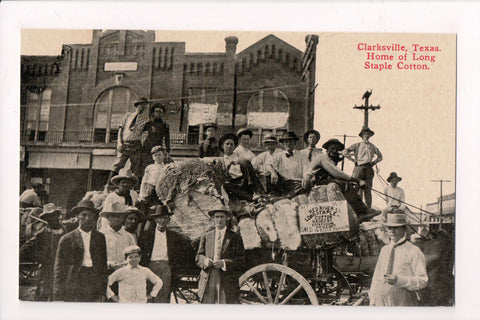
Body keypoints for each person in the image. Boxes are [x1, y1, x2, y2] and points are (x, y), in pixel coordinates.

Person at [53, 200, 108, 302]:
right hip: (75, 281)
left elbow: (103, 266)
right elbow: (59, 268)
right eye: (84, 215)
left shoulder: (100, 237)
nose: (87, 219)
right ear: (78, 216)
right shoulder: (67, 239)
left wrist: (102, 291)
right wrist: (58, 295)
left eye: (91, 216)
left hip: (93, 280)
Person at [369, 212, 428, 306]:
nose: (392, 231)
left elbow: (423, 281)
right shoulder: (384, 250)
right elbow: (376, 278)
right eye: (389, 228)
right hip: (381, 302)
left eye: (396, 227)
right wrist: (372, 300)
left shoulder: (414, 251)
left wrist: (399, 280)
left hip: (402, 303)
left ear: (404, 229)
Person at [139, 205, 194, 303]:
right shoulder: (147, 235)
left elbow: (180, 253)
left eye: (165, 218)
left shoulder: (173, 236)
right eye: (160, 218)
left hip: (165, 267)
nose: (162, 221)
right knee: (148, 295)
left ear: (169, 220)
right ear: (155, 219)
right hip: (150, 267)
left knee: (163, 296)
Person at [302, 138, 369, 217]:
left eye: (336, 150)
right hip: (316, 182)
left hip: (324, 181)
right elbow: (336, 172)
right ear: (327, 149)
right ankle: (353, 213)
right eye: (332, 149)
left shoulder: (331, 160)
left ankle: (359, 212)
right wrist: (357, 180)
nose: (334, 151)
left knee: (349, 186)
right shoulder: (322, 157)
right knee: (344, 186)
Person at [196, 206, 245, 304]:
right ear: (213, 219)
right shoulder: (206, 236)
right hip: (208, 276)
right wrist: (205, 261)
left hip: (226, 277)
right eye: (217, 217)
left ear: (227, 218)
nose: (219, 220)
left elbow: (241, 260)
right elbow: (198, 256)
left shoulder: (235, 237)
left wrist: (224, 263)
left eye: (222, 217)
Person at [25, 203, 66, 301]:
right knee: (45, 292)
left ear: (57, 215)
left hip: (62, 267)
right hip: (48, 267)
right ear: (46, 219)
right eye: (48, 216)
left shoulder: (64, 231)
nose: (51, 218)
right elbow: (27, 247)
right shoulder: (43, 232)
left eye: (53, 215)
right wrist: (39, 257)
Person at [207, 133, 265, 201]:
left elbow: (251, 162)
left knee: (244, 162)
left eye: (231, 144)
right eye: (227, 144)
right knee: (225, 186)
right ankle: (251, 198)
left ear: (234, 146)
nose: (229, 146)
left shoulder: (239, 155)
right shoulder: (220, 159)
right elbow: (203, 159)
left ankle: (256, 192)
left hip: (245, 180)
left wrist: (236, 162)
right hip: (234, 182)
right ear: (222, 146)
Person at [108, 97, 150, 185]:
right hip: (125, 143)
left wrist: (142, 142)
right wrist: (119, 143)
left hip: (136, 145)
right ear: (137, 105)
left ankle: (133, 187)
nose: (142, 106)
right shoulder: (128, 115)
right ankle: (109, 185)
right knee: (118, 164)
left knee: (135, 167)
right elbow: (120, 130)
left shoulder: (146, 119)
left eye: (144, 104)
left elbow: (146, 132)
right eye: (141, 104)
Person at [342, 127, 383, 209]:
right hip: (358, 168)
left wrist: (373, 163)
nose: (367, 136)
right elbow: (344, 152)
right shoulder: (357, 145)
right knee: (354, 188)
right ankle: (353, 209)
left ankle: (368, 209)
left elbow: (380, 157)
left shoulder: (372, 147)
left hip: (368, 169)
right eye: (365, 134)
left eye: (368, 134)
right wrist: (353, 160)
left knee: (368, 190)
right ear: (362, 136)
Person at [99, 201, 137, 273]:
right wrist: (110, 265)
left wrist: (126, 264)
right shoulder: (101, 235)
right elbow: (96, 256)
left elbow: (134, 255)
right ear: (107, 217)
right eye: (113, 216)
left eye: (119, 216)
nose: (116, 219)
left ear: (123, 218)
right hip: (105, 272)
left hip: (125, 272)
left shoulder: (128, 236)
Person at [269, 131, 305, 198]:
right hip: (283, 183)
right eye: (286, 142)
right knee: (269, 176)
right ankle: (286, 196)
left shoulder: (301, 155)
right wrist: (273, 172)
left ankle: (285, 197)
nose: (288, 144)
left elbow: (307, 169)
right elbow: (268, 164)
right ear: (283, 144)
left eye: (290, 141)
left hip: (297, 183)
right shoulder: (279, 155)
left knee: (306, 186)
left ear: (295, 142)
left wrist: (306, 177)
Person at [141, 103, 171, 176]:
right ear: (153, 113)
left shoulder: (165, 125)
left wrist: (167, 150)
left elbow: (167, 138)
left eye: (160, 112)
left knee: (157, 166)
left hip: (157, 148)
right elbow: (140, 132)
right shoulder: (149, 123)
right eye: (156, 111)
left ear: (163, 114)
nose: (158, 113)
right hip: (147, 148)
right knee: (145, 167)